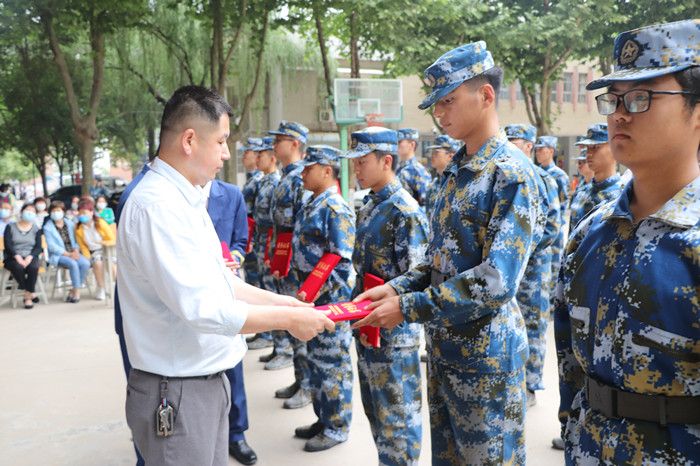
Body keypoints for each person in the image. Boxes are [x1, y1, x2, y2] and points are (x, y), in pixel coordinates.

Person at [117, 85, 333, 465]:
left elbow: (221, 282)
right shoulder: (158, 207)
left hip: (201, 382)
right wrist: (290, 319)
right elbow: (204, 309)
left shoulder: (186, 198)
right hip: (179, 389)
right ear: (189, 140)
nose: (227, 153)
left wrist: (284, 302)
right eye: (220, 141)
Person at [353, 42, 542, 465]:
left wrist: (409, 307)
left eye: (449, 100)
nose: (439, 113)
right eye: (435, 104)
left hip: (487, 362)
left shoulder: (511, 174)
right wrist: (395, 289)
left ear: (486, 96)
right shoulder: (454, 172)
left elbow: (496, 281)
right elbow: (437, 259)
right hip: (443, 350)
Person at [555, 19, 700, 464]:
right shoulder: (591, 232)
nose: (619, 112)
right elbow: (570, 363)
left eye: (641, 98)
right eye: (613, 98)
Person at [346, 126, 429, 465]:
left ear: (386, 161)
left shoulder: (404, 212)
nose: (356, 169)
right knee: (378, 419)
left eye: (362, 162)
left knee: (398, 423)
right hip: (368, 329)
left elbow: (420, 275)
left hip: (394, 338)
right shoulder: (370, 206)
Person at [290, 145, 356, 452]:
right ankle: (323, 418)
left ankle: (337, 426)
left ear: (327, 171)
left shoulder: (335, 208)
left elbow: (340, 264)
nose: (302, 173)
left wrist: (316, 300)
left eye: (309, 168)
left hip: (328, 303)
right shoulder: (313, 202)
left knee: (333, 364)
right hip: (310, 299)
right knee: (316, 362)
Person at [505, 123, 562, 408]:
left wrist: (521, 250)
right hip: (506, 269)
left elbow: (552, 226)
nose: (511, 147)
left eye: (516, 142)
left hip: (533, 268)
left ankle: (530, 385)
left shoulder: (543, 180)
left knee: (533, 325)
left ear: (529, 146)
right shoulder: (503, 176)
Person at [203, 177, 257, 465]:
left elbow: (240, 239)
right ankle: (207, 433)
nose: (224, 154)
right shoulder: (177, 195)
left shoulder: (231, 193)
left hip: (228, 288)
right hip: (194, 292)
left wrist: (234, 257)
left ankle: (236, 434)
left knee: (233, 362)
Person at [266, 120, 312, 409]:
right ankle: (300, 379)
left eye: (280, 139)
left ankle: (307, 386)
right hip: (284, 260)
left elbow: (301, 226)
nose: (274, 145)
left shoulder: (299, 179)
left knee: (299, 324)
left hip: (295, 264)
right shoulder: (285, 177)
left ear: (295, 143)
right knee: (291, 325)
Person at [242, 138, 274, 351]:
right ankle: (267, 335)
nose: (247, 156)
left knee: (268, 288)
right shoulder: (260, 181)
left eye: (254, 153)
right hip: (259, 241)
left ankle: (273, 338)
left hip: (267, 242)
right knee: (260, 285)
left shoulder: (271, 182)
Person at [534, 135, 569, 312]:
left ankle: (551, 306)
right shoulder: (535, 172)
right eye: (537, 149)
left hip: (553, 230)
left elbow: (562, 205)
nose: (538, 153)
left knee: (554, 268)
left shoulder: (558, 175)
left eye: (542, 149)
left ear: (551, 151)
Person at [568, 123, 624, 228]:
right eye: (588, 147)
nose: (588, 153)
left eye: (595, 147)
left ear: (614, 149)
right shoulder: (582, 192)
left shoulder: (623, 196)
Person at [43, 201, 91, 303]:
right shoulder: (48, 227)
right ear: (50, 212)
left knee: (85, 263)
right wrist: (68, 254)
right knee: (73, 264)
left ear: (63, 212)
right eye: (54, 210)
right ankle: (77, 292)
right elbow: (52, 246)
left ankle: (74, 289)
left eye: (58, 210)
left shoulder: (71, 224)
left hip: (74, 252)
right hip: (59, 255)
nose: (56, 213)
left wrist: (76, 251)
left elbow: (77, 240)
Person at [3, 203, 43, 309]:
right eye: (27, 210)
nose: (30, 213)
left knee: (33, 267)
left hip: (30, 256)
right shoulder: (10, 227)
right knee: (18, 267)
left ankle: (27, 296)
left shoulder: (36, 229)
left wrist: (30, 256)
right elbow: (8, 245)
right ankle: (30, 292)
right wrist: (17, 256)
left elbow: (38, 247)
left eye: (33, 212)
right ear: (21, 212)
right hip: (12, 257)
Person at [75, 199, 116, 301]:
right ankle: (101, 287)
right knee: (98, 263)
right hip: (93, 252)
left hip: (106, 249)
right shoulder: (78, 227)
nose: (82, 215)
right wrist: (87, 257)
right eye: (80, 213)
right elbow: (82, 245)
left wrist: (104, 245)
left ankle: (117, 287)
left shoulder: (100, 223)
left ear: (91, 212)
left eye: (84, 212)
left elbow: (111, 239)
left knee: (111, 264)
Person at [424, 134, 460, 220]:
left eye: (436, 151)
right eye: (432, 152)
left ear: (450, 156)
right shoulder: (432, 185)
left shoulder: (458, 184)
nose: (432, 155)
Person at [396, 128, 431, 205]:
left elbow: (426, 203)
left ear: (412, 144)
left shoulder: (418, 171)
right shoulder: (397, 169)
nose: (397, 145)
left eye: (400, 142)